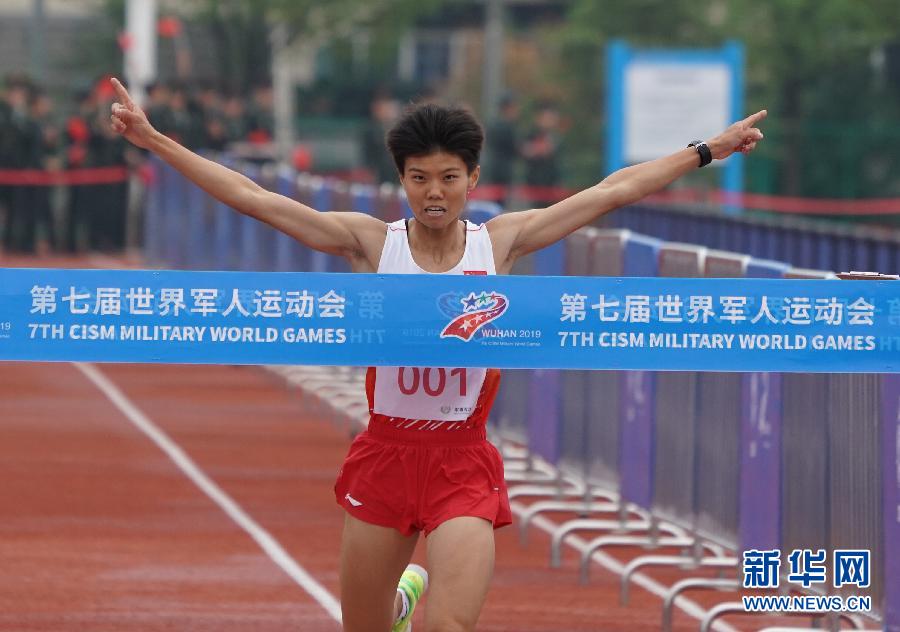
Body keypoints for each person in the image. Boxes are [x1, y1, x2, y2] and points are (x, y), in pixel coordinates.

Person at [108, 76, 765, 631]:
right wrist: (154, 140)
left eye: (449, 178)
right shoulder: (372, 244)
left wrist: (707, 150)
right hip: (385, 456)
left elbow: (610, 192)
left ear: (472, 179)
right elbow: (255, 200)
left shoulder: (499, 244)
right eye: (419, 178)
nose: (433, 193)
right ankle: (397, 605)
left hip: (462, 462)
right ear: (401, 179)